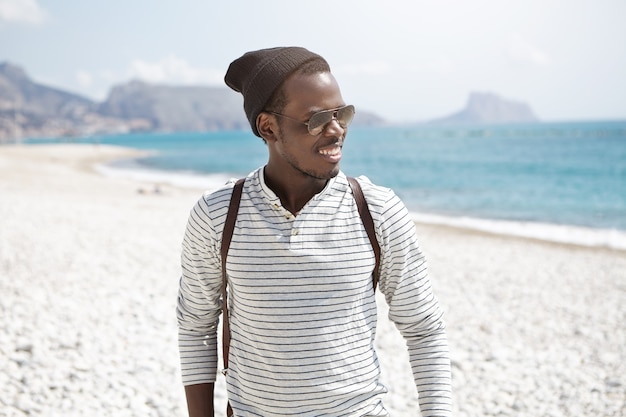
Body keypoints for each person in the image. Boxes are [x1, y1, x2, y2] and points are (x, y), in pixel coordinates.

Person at [177, 46, 452, 416]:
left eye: (342, 114)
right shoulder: (217, 214)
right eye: (318, 118)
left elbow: (424, 327)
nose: (336, 130)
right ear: (268, 127)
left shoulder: (377, 210)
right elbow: (196, 326)